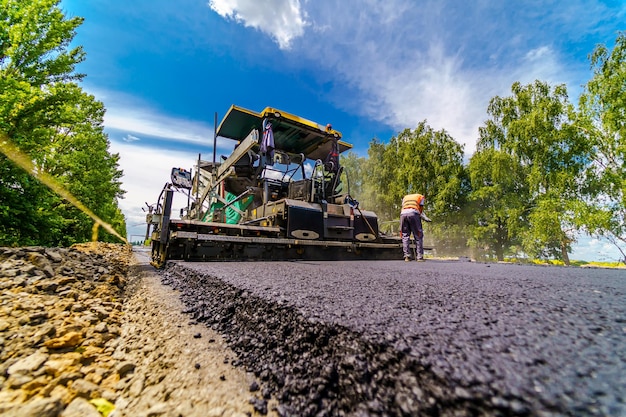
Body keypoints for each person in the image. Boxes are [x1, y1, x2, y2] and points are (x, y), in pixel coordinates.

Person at [400, 193, 432, 261]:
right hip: (413, 214)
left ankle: (407, 256)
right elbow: (420, 210)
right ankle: (419, 257)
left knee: (405, 236)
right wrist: (425, 219)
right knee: (418, 235)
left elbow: (403, 207)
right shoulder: (421, 197)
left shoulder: (405, 197)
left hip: (403, 215)